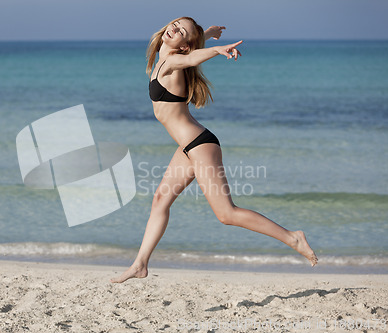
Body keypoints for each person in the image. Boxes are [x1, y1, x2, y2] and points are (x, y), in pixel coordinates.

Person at [111, 17, 318, 283]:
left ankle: (294, 237)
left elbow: (189, 60)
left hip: (200, 145)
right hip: (187, 147)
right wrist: (207, 34)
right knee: (160, 200)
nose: (173, 28)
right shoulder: (167, 52)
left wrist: (214, 50)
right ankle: (140, 264)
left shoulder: (171, 63)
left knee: (226, 214)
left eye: (181, 31)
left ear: (185, 45)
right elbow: (189, 50)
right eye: (175, 24)